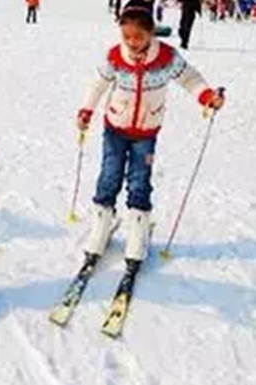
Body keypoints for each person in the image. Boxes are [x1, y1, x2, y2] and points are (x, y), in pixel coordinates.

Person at [76, 0, 224, 272]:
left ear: (151, 32)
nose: (132, 42)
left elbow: (190, 79)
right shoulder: (115, 57)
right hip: (115, 129)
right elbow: (97, 84)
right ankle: (101, 222)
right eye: (127, 36)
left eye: (139, 36)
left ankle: (138, 228)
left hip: (146, 132)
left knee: (140, 181)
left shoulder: (166, 58)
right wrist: (86, 110)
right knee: (109, 175)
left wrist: (206, 96)